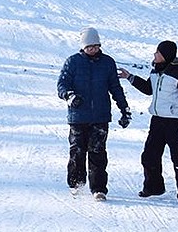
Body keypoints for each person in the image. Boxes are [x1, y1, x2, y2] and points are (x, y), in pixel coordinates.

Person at [118, 41, 178, 206]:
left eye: (157, 52)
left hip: (175, 122)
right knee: (149, 156)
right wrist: (130, 77)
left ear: (166, 55)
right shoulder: (156, 70)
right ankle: (154, 187)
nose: (154, 55)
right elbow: (149, 89)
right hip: (157, 121)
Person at [56, 27, 131, 201]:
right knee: (77, 151)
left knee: (98, 152)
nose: (93, 49)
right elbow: (62, 84)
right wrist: (69, 95)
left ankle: (98, 188)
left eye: (96, 46)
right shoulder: (72, 62)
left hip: (100, 116)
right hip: (78, 116)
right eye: (89, 46)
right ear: (83, 47)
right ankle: (76, 183)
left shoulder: (107, 63)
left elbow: (115, 88)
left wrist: (124, 109)